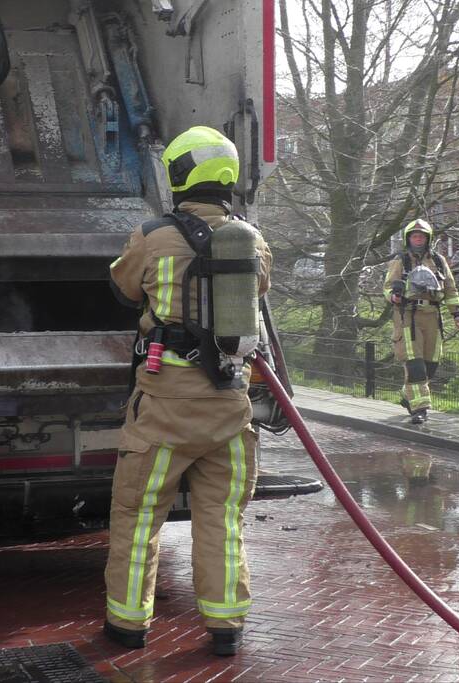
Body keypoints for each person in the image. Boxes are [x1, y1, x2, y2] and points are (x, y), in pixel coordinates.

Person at [105, 126, 270, 657]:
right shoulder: (251, 239)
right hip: (230, 405)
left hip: (165, 405)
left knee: (138, 516)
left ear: (178, 175)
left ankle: (128, 625)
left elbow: (123, 286)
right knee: (222, 520)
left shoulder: (152, 236)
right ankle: (225, 627)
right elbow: (259, 291)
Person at [383, 219, 459, 424]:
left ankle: (407, 393)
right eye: (414, 236)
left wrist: (457, 314)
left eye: (421, 236)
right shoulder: (400, 260)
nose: (418, 239)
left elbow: (450, 289)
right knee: (415, 363)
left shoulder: (438, 260)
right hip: (408, 316)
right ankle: (420, 409)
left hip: (432, 315)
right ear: (408, 238)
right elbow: (387, 287)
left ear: (428, 239)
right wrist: (393, 296)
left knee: (431, 363)